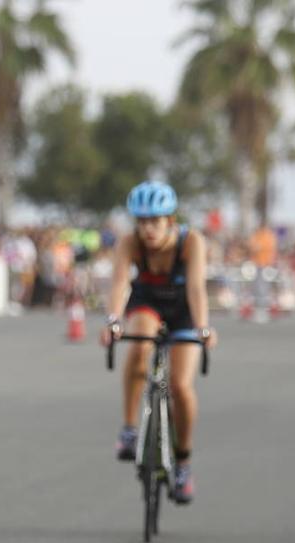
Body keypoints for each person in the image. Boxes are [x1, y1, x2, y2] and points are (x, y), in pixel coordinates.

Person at [99, 181, 217, 503]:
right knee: (139, 346)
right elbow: (120, 284)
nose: (148, 229)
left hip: (183, 308)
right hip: (148, 301)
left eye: (155, 221)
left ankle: (183, 462)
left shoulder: (191, 241)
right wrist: (113, 321)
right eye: (142, 221)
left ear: (170, 220)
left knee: (180, 386)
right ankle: (128, 428)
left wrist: (204, 327)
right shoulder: (129, 243)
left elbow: (196, 289)